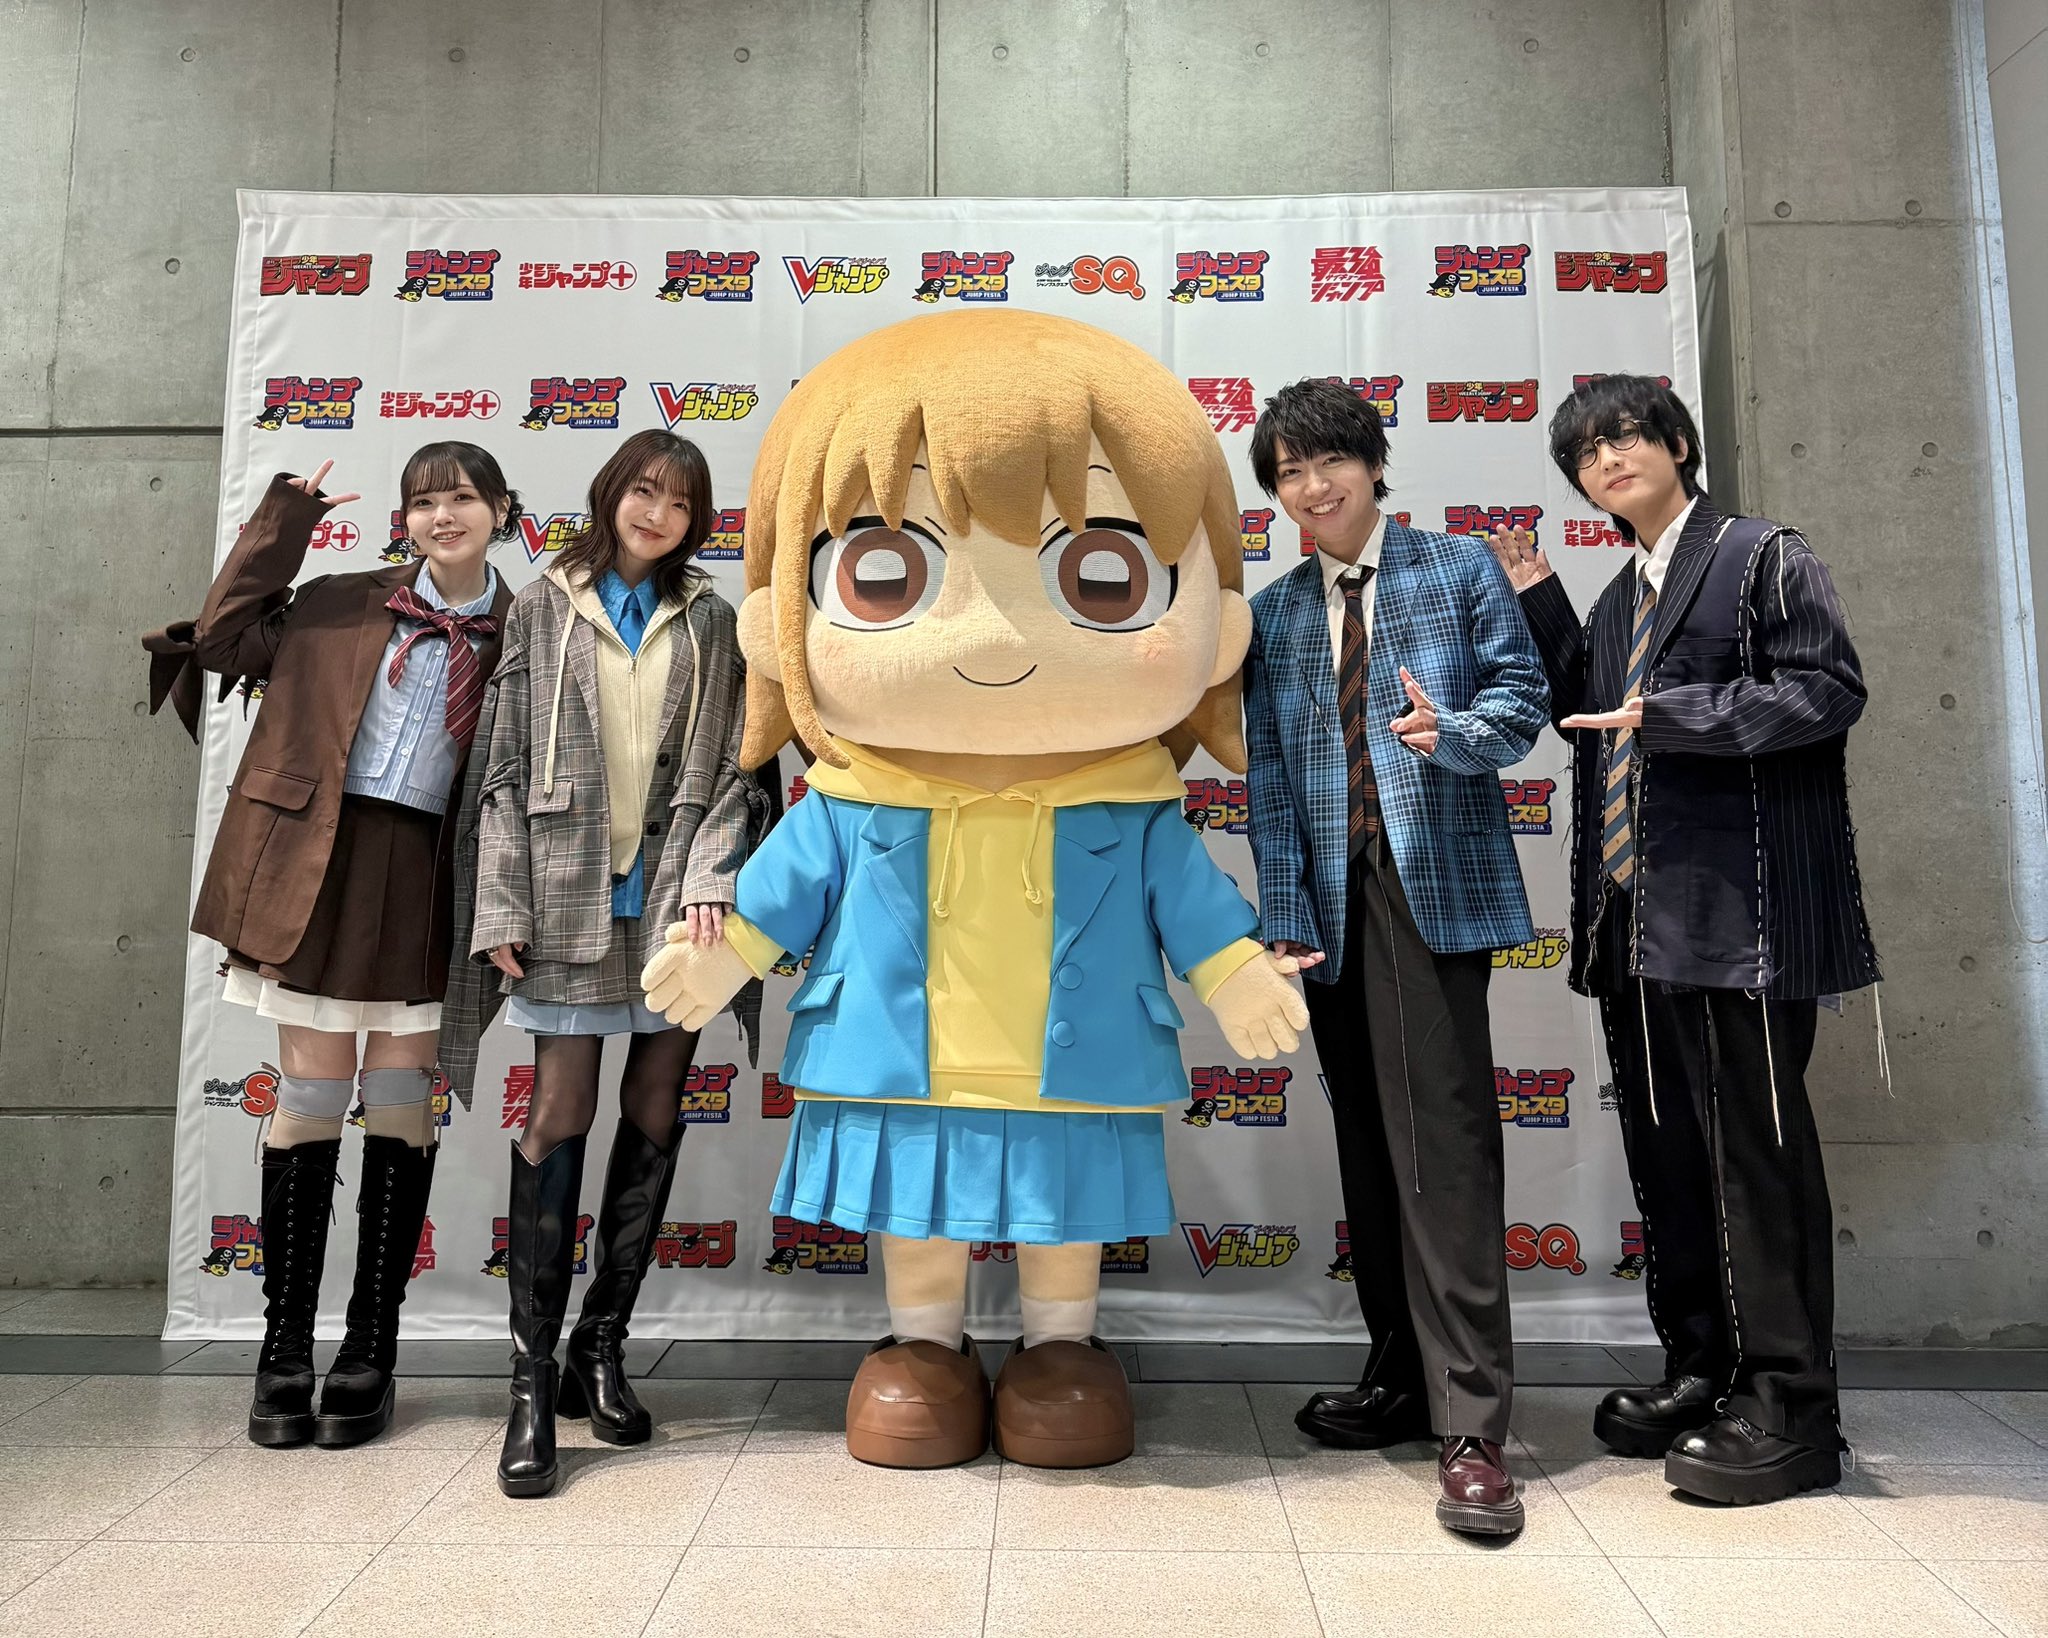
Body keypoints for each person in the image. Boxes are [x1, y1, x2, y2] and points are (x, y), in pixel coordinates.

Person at [641, 309, 1309, 1471]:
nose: (995, 636)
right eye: (884, 574)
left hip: (1074, 1055)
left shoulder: (1130, 800)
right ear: (777, 625)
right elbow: (777, 895)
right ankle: (924, 1345)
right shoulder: (851, 799)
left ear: (1215, 633)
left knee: (1064, 1206)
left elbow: (1190, 902)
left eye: (1100, 576)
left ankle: (1059, 1347)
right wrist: (723, 952)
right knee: (917, 1199)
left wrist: (1235, 968)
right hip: (897, 1047)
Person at [1490, 373, 1880, 1504]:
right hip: (1637, 921)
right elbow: (1586, 707)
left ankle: (1794, 1410)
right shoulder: (1625, 591)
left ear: (1675, 443)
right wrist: (1538, 593)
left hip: (1740, 916)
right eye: (1586, 454)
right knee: (1668, 1156)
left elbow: (1825, 690)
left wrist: (1673, 717)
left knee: (1756, 1155)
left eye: (1625, 437)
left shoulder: (1762, 555)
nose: (1607, 459)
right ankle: (1703, 1370)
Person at [143, 443, 519, 1448]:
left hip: (433, 876)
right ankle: (283, 1351)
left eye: (464, 498)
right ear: (406, 519)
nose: (444, 516)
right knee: (309, 1098)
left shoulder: (525, 631)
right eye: (425, 501)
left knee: (398, 1099)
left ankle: (370, 1350)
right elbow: (221, 638)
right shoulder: (338, 600)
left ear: (501, 511)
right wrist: (284, 523)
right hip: (316, 860)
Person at [1241, 378, 1548, 1537]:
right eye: (1287, 473)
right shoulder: (1275, 612)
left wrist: (1446, 732)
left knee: (1443, 1153)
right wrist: (1283, 912)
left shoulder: (1454, 569)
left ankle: (1472, 1427)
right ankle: (1401, 1378)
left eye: (1328, 461)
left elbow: (1520, 701)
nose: (1311, 486)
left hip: (1429, 897)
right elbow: (1271, 781)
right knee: (1369, 1151)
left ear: (1372, 464)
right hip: (1328, 908)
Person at [440, 429, 760, 1499]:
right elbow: (501, 767)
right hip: (562, 895)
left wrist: (712, 875)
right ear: (611, 492)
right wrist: (499, 899)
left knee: (658, 1107)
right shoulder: (544, 605)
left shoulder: (712, 619)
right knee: (558, 1112)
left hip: (672, 907)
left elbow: (734, 771)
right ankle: (532, 1383)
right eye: (643, 491)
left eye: (679, 501)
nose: (656, 513)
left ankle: (602, 1344)